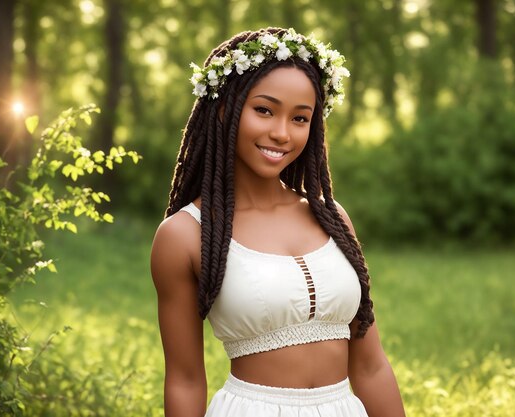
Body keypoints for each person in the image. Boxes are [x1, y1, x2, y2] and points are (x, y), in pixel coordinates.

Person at [150, 27, 406, 417]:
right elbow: (185, 379)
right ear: (224, 109)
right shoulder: (185, 235)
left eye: (300, 118)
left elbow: (371, 366)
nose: (282, 133)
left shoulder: (332, 218)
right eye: (264, 110)